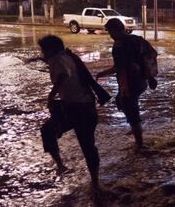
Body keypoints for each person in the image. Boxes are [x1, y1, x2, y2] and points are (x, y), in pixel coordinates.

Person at [38, 35, 104, 189]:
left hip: (77, 109)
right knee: (88, 145)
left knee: (48, 131)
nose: (42, 53)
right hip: (84, 107)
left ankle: (62, 167)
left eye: (43, 50)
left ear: (51, 50)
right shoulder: (68, 56)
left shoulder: (57, 59)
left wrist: (51, 95)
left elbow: (62, 74)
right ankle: (95, 183)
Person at [96, 19, 157, 150]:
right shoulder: (137, 39)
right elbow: (151, 55)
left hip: (129, 83)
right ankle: (135, 127)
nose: (110, 35)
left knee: (130, 108)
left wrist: (102, 74)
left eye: (110, 32)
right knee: (123, 102)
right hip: (142, 81)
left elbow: (119, 68)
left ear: (116, 30)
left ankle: (139, 143)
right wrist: (150, 77)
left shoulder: (119, 45)